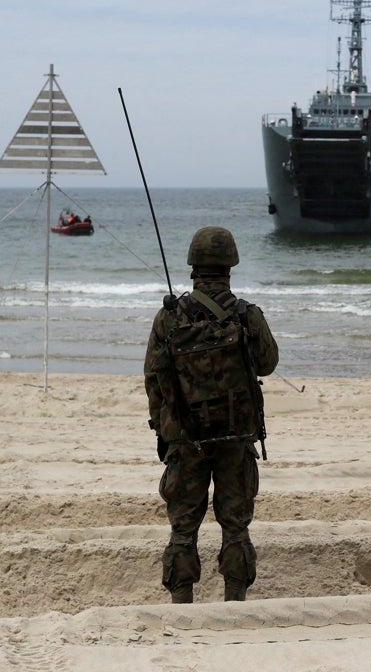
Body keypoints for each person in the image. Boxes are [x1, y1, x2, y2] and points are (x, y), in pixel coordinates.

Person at [144, 226, 279, 604]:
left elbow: (153, 377)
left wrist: (164, 429)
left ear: (192, 267)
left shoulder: (169, 318)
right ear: (230, 267)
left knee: (183, 527)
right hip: (236, 437)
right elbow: (268, 364)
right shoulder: (246, 316)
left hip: (185, 439)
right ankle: (234, 600)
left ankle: (181, 602)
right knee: (235, 526)